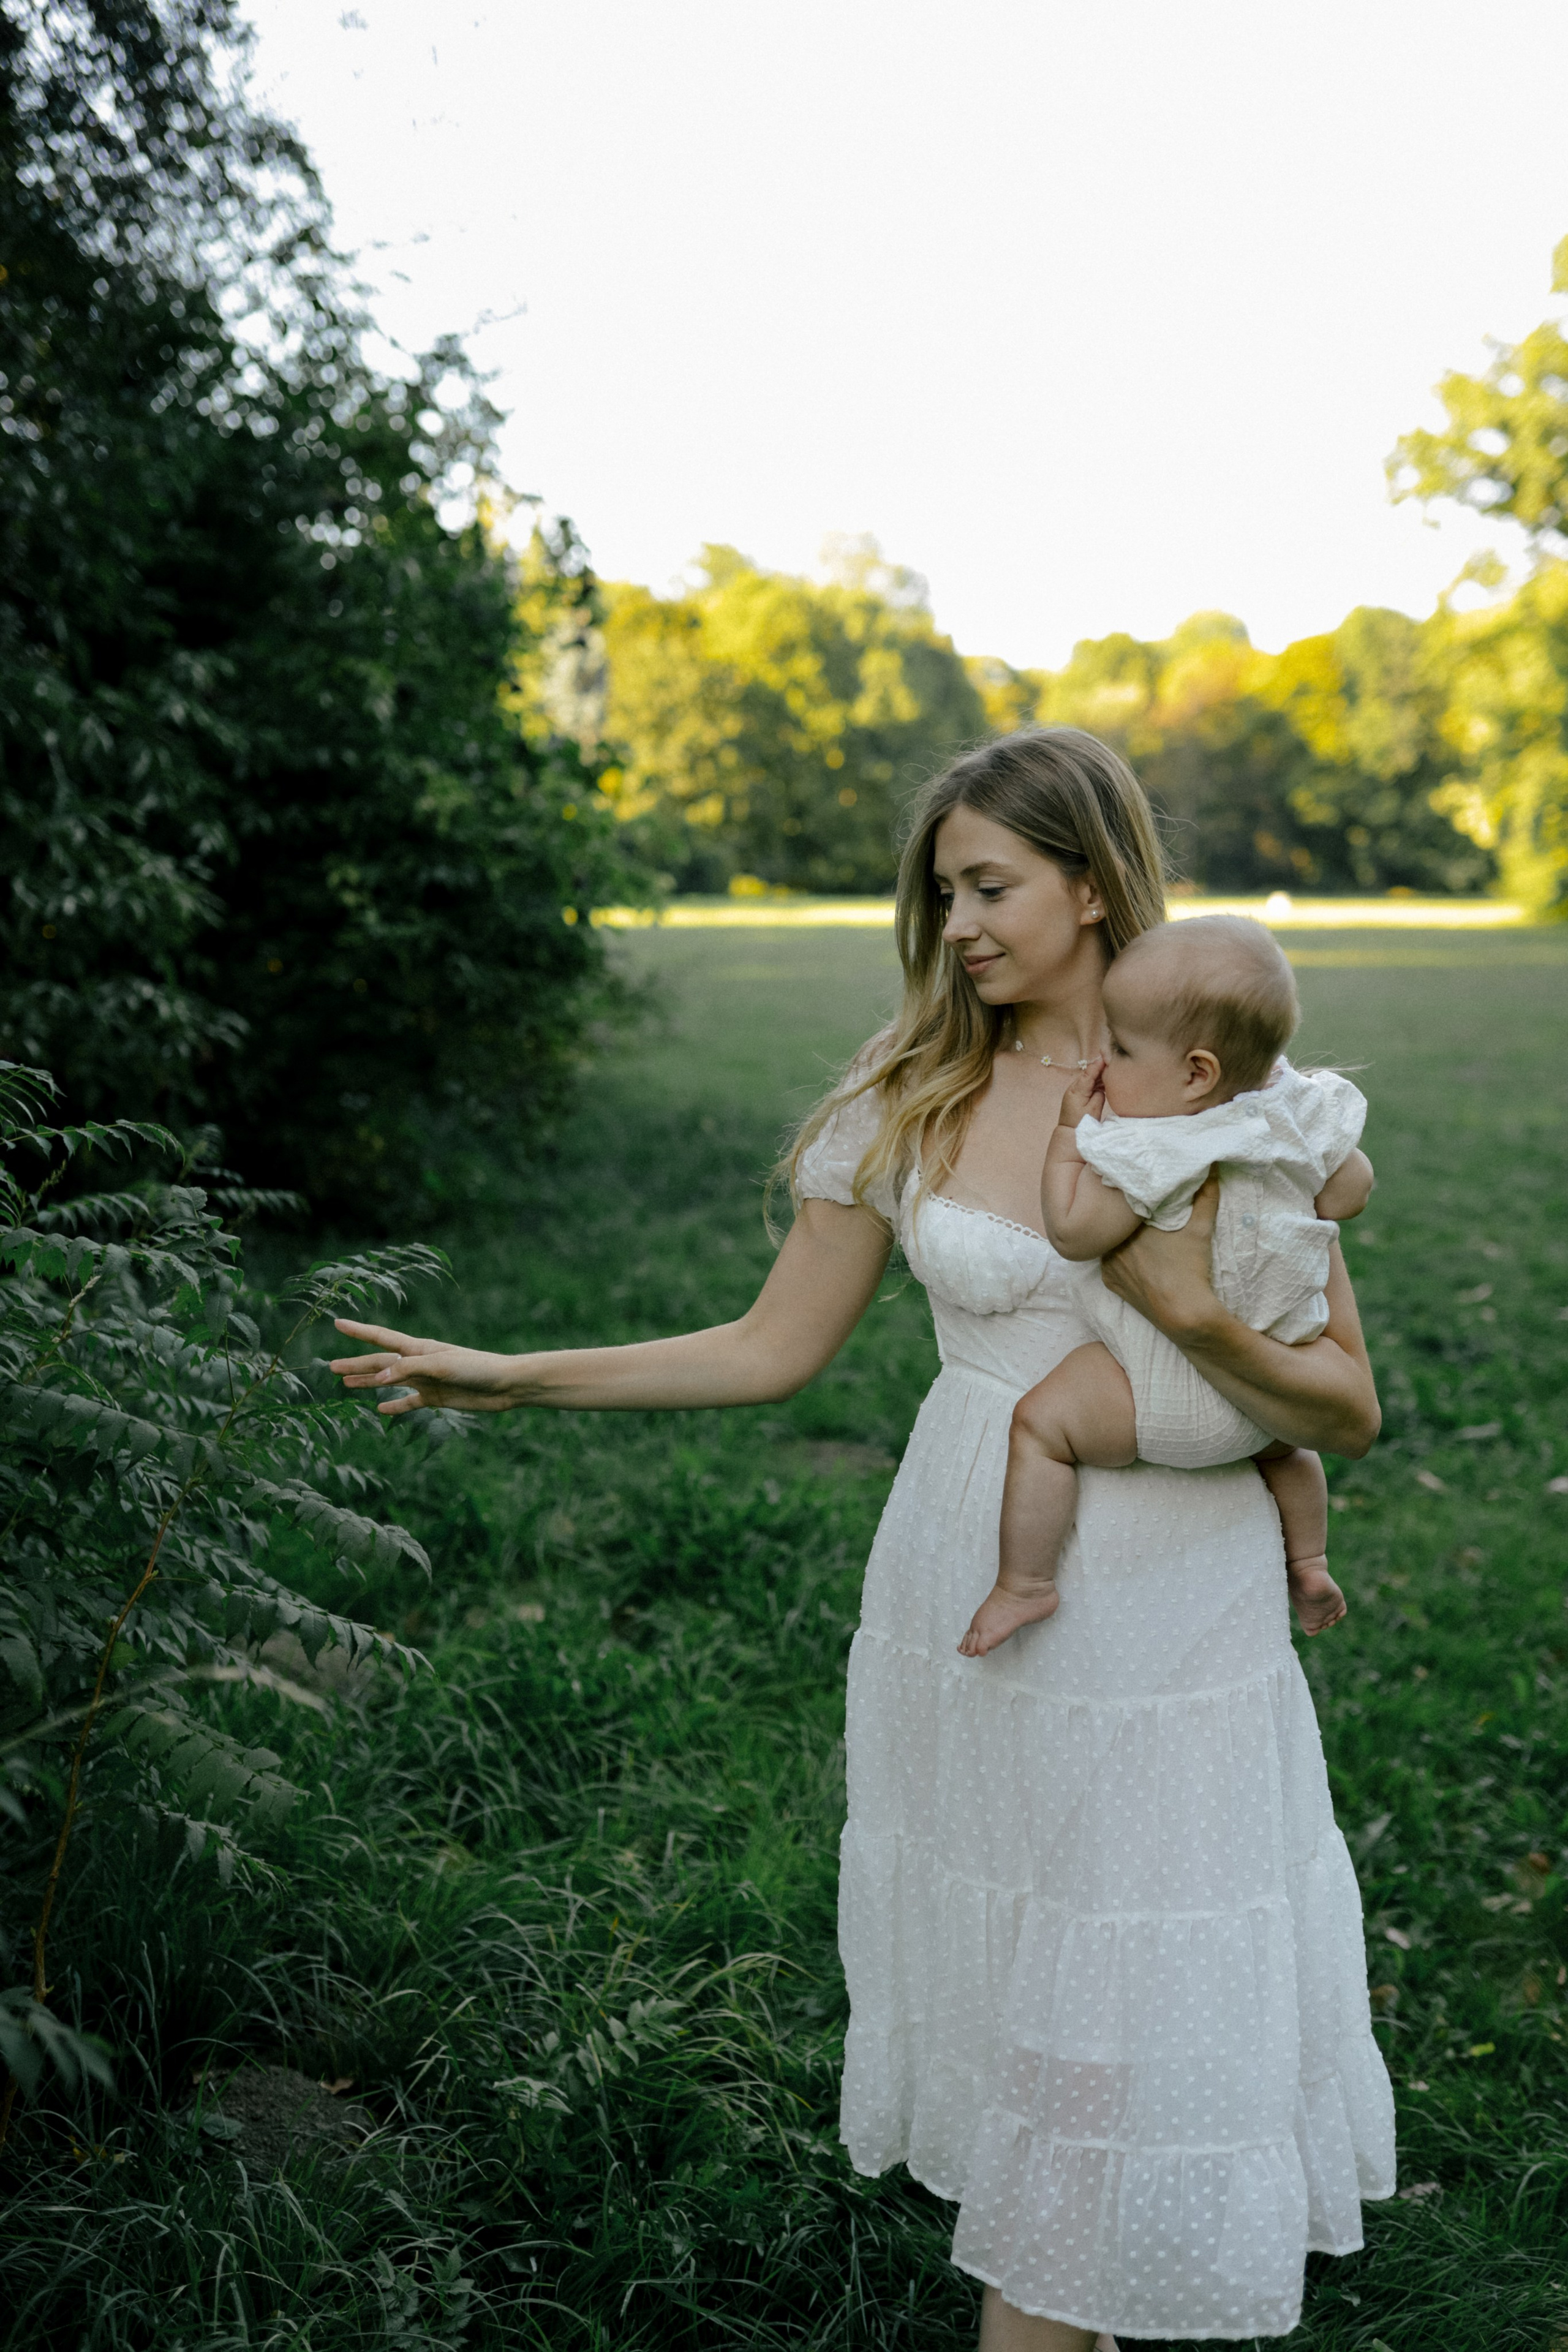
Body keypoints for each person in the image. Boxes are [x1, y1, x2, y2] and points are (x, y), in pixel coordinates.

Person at [330, 728, 1395, 2351]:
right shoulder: (911, 1090)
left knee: (1129, 1975)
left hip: (1179, 1601)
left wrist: (1191, 1318)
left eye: (992, 884)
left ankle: (1049, 2309)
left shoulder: (1223, 1090)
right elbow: (769, 1350)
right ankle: (1071, 2298)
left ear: (1091, 882)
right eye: (941, 889)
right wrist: (509, 1376)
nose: (957, 921)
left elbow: (1345, 1410)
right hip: (970, 1573)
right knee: (1025, 1971)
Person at [957, 914, 1371, 1664]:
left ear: (1195, 1075)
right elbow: (1351, 1190)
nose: (1103, 1062)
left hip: (1157, 1394)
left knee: (1041, 1426)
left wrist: (1065, 1141)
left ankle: (1024, 1583)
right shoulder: (1290, 1112)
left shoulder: (1157, 1150)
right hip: (1266, 1400)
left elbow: (1076, 1231)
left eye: (1119, 1047)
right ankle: (1307, 1562)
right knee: (1288, 1457)